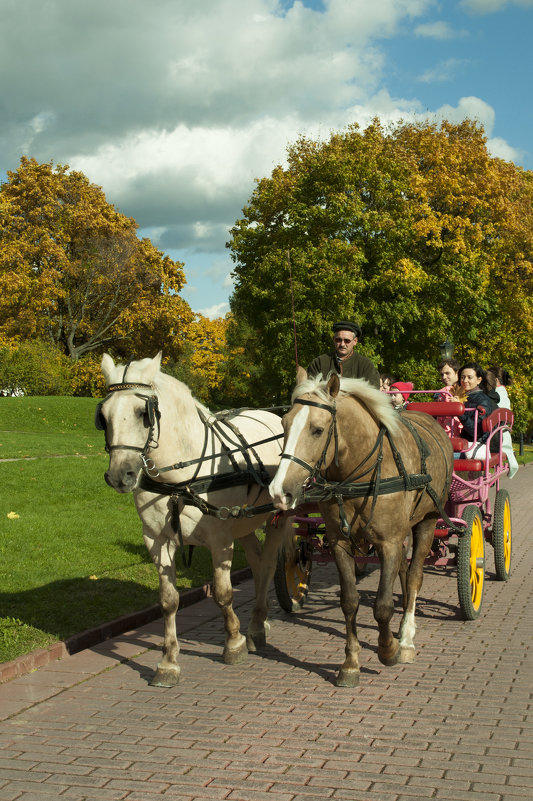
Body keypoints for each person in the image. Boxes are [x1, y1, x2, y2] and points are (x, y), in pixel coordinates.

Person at [307, 321, 380, 388]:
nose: (342, 344)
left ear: (355, 341)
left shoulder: (365, 365)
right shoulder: (319, 362)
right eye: (338, 340)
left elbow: (373, 389)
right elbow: (308, 387)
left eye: (347, 341)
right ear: (333, 339)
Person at [456, 362, 498, 460]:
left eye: (469, 377)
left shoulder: (482, 400)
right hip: (465, 443)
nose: (465, 380)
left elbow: (475, 431)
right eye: (462, 377)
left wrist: (459, 409)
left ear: (479, 380)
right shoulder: (466, 396)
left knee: (438, 456)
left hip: (475, 446)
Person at [486, 366, 519, 478]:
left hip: (497, 432)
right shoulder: (502, 392)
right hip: (500, 431)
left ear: (495, 380)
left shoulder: (498, 394)